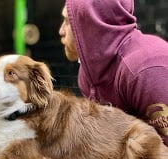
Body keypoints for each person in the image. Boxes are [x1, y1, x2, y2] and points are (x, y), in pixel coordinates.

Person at [59, 0, 168, 146]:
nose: (61, 31)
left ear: (92, 23)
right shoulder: (88, 74)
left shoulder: (146, 69)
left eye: (68, 21)